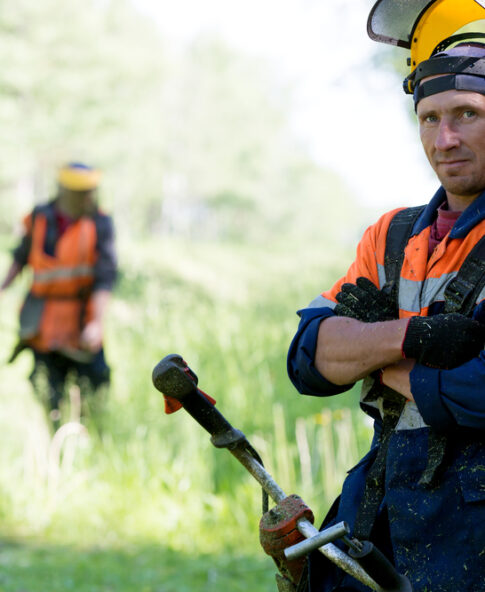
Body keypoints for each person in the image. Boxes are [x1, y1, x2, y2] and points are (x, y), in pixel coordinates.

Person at [287, 41, 485, 592]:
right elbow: (308, 357)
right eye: (430, 119)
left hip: (475, 530)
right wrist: (416, 335)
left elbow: (482, 391)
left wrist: (369, 356)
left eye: (468, 114)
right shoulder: (393, 237)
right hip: (379, 506)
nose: (445, 139)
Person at [0, 162, 118, 429]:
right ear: (66, 191)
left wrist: (96, 323)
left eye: (91, 190)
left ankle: (89, 435)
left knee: (94, 382)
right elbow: (21, 257)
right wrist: (2, 288)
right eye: (82, 192)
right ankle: (56, 436)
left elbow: (105, 277)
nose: (89, 196)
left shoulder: (100, 223)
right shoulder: (40, 217)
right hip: (42, 324)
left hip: (80, 324)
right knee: (48, 389)